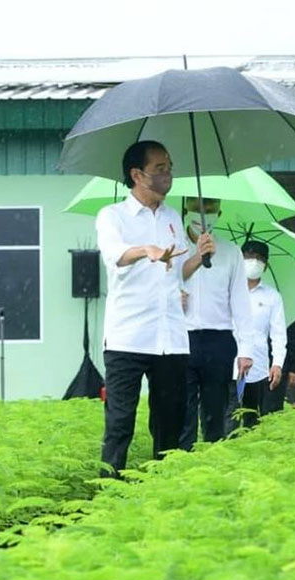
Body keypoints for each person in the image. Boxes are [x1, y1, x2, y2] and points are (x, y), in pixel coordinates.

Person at [96, 140, 189, 476]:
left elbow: (179, 271)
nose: (168, 175)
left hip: (170, 337)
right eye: (159, 169)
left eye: (169, 168)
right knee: (120, 422)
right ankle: (109, 491)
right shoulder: (112, 216)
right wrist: (145, 250)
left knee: (170, 424)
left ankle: (162, 489)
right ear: (137, 175)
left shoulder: (173, 217)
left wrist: (200, 255)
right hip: (128, 337)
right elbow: (116, 255)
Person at [178, 197, 254, 450]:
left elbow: (240, 301)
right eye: (196, 207)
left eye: (210, 208)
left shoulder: (231, 252)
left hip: (219, 339)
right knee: (183, 411)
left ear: (219, 213)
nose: (203, 213)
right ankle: (182, 461)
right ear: (185, 208)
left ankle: (211, 459)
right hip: (181, 337)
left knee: (215, 412)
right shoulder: (174, 248)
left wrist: (246, 349)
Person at [232, 240, 287, 429]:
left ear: (266, 265)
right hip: (228, 364)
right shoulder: (228, 291)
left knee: (253, 419)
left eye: (259, 258)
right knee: (228, 418)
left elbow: (278, 333)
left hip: (258, 367)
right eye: (248, 257)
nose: (254, 261)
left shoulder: (272, 297)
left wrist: (277, 363)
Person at [263, 319, 295, 412]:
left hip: (279, 365)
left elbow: (294, 341)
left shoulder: (287, 316)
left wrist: (294, 369)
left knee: (273, 405)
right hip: (256, 364)